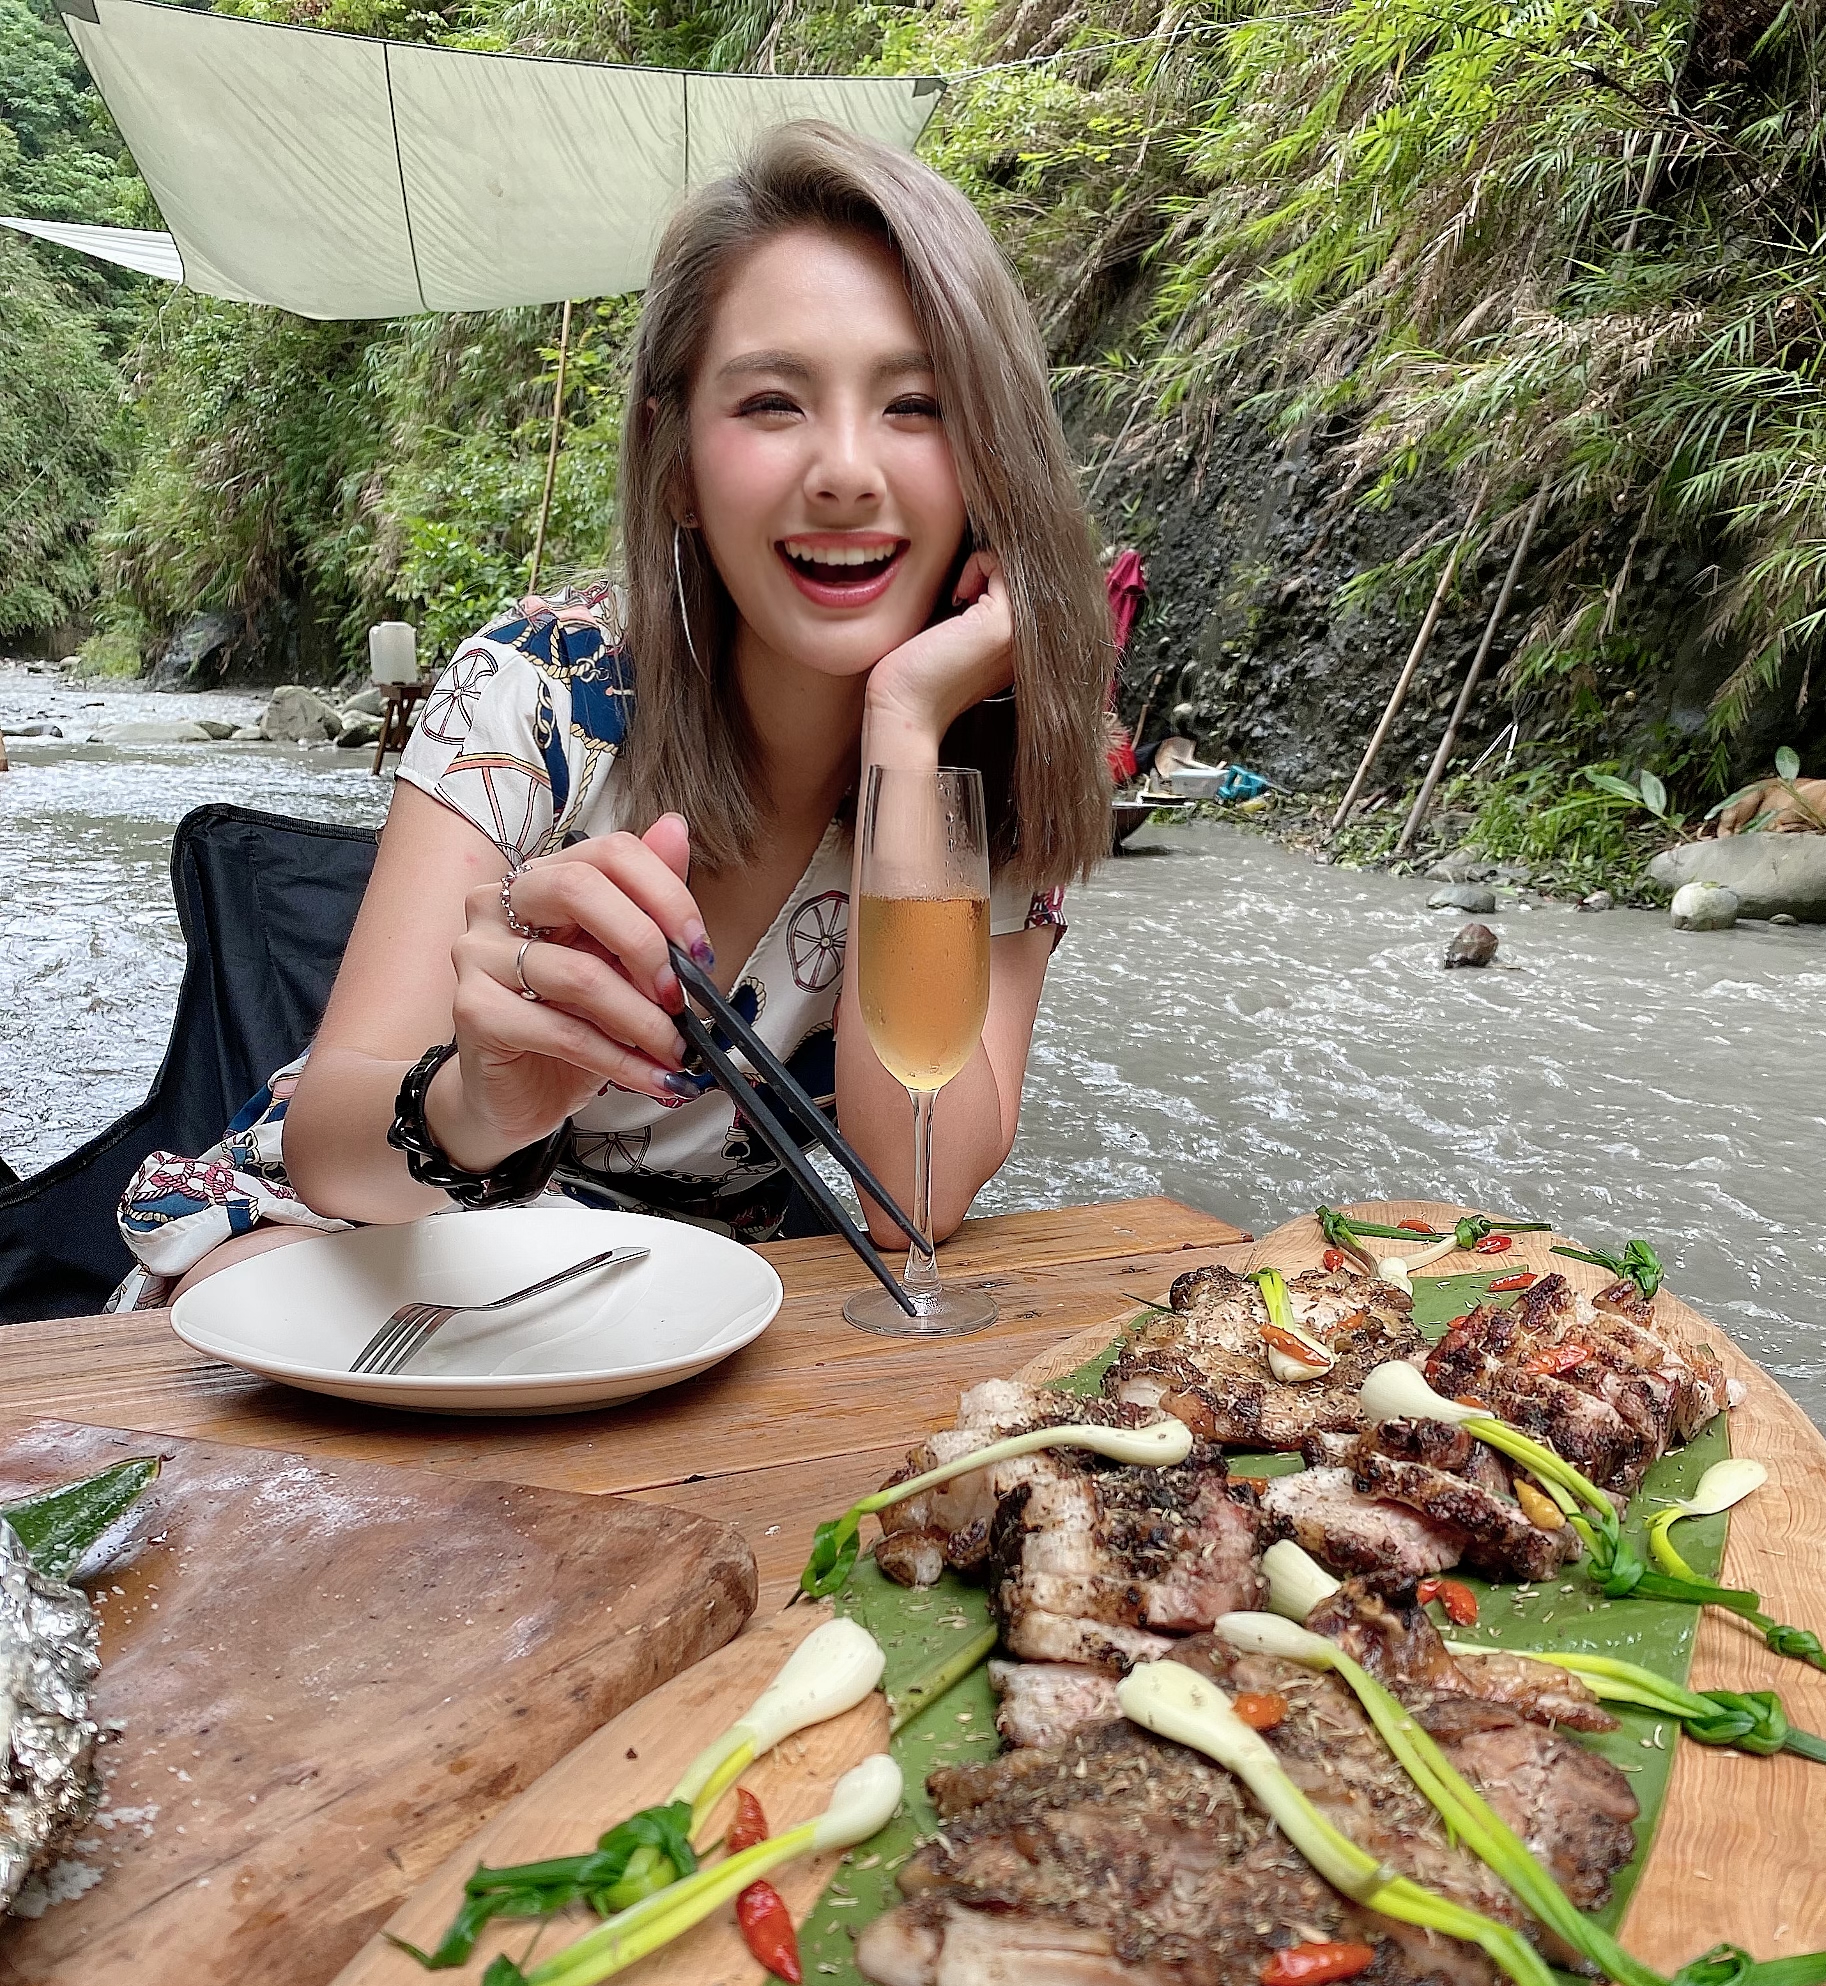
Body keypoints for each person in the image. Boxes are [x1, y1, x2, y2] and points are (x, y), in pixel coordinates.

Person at [113, 119, 1113, 1303]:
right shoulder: (538, 687)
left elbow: (919, 1195)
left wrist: (907, 724)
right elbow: (330, 1134)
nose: (846, 469)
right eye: (772, 404)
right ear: (677, 459)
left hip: (663, 1321)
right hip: (372, 1241)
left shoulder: (1003, 766)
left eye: (917, 405)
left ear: (992, 458)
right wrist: (480, 1100)